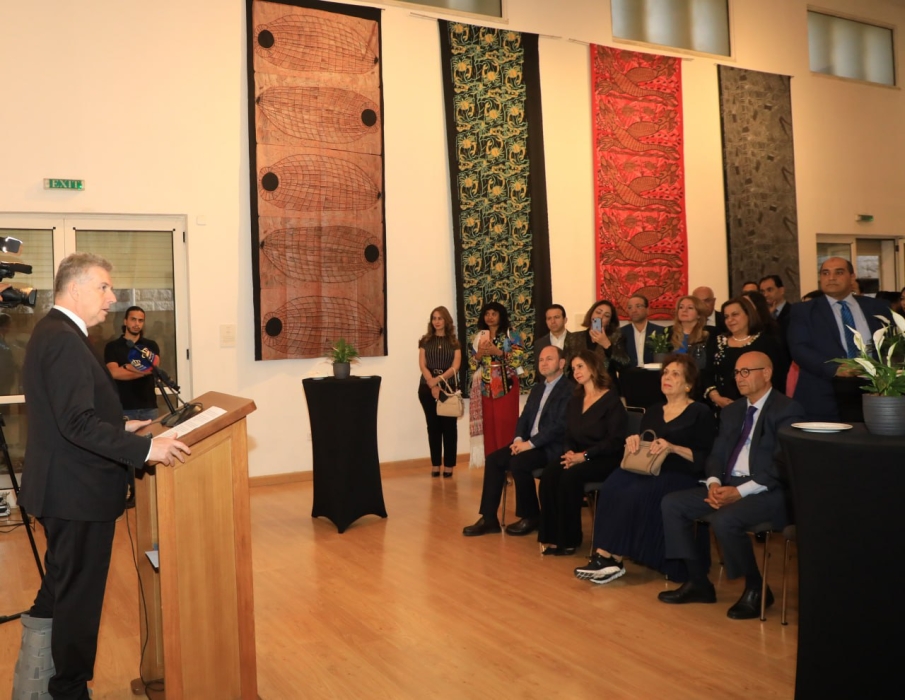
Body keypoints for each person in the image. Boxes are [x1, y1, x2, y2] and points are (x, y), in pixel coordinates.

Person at [13, 253, 190, 700]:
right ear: (75, 288)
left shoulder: (58, 332)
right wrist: (147, 449)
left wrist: (123, 427)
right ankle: (68, 689)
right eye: (104, 287)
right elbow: (76, 423)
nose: (112, 298)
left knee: (60, 587)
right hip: (76, 493)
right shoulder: (63, 339)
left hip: (67, 489)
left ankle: (32, 685)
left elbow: (72, 413)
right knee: (79, 599)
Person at [658, 352, 804, 619]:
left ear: (767, 373)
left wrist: (740, 491)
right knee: (673, 504)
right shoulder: (733, 410)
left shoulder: (787, 409)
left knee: (724, 519)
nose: (739, 378)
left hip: (768, 491)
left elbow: (783, 464)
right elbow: (717, 454)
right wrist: (714, 483)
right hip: (728, 484)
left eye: (746, 372)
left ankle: (756, 587)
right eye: (737, 373)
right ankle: (698, 582)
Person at [574, 354, 715, 584]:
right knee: (613, 485)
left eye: (675, 374)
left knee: (636, 492)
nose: (667, 377)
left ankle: (610, 558)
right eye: (665, 373)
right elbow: (646, 444)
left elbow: (706, 457)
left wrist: (673, 447)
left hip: (682, 473)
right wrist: (635, 441)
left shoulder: (700, 412)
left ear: (688, 384)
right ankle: (606, 556)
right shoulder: (653, 410)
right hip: (650, 469)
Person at [463, 346, 571, 536]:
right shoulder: (538, 388)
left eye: (549, 359)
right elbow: (524, 418)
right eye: (541, 360)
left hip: (551, 447)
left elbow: (559, 426)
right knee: (494, 459)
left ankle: (531, 516)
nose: (544, 363)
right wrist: (519, 439)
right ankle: (489, 518)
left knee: (519, 463)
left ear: (562, 363)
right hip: (528, 443)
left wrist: (529, 444)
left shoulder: (569, 390)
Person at [537, 350, 627, 554]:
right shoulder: (576, 399)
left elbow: (614, 441)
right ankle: (552, 537)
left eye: (580, 367)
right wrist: (569, 452)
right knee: (550, 474)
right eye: (573, 368)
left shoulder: (611, 399)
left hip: (604, 458)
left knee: (570, 478)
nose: (576, 372)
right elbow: (569, 433)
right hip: (577, 455)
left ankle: (569, 540)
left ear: (593, 367)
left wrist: (584, 456)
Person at [788, 257, 891, 421]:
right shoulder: (804, 311)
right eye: (825, 273)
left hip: (873, 392)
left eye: (839, 272)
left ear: (852, 277)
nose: (831, 277)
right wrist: (835, 368)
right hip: (823, 393)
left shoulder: (877, 307)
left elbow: (891, 346)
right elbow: (799, 348)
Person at [705, 297, 788, 412]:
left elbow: (778, 377)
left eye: (735, 314)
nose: (730, 320)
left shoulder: (767, 343)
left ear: (748, 314)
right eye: (726, 316)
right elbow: (707, 374)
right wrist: (716, 397)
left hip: (760, 408)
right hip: (723, 408)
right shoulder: (717, 342)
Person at [469, 301, 526, 461]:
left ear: (501, 316)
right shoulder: (480, 336)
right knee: (490, 427)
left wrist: (498, 352)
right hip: (486, 387)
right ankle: (492, 464)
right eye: (487, 314)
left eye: (494, 314)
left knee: (506, 425)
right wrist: (479, 354)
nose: (490, 317)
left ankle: (508, 464)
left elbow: (518, 360)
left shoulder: (512, 334)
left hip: (506, 385)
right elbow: (472, 364)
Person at [417, 306, 462, 477]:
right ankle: (435, 464)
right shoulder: (425, 341)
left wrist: (438, 380)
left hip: (448, 389)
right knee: (433, 427)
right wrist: (432, 383)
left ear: (446, 320)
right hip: (426, 388)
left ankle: (449, 465)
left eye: (440, 318)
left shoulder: (454, 342)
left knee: (449, 428)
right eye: (434, 318)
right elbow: (422, 365)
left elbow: (456, 366)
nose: (436, 321)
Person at [104, 306, 161, 421]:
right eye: (133, 319)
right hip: (124, 407)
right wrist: (144, 370)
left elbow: (154, 367)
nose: (137, 324)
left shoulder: (150, 345)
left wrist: (127, 367)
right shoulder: (112, 346)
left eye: (140, 320)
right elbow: (114, 373)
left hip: (149, 407)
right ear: (125, 321)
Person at [575, 299, 630, 386]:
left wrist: (606, 344)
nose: (600, 317)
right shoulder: (575, 338)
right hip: (581, 388)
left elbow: (624, 365)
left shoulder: (617, 337)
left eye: (606, 316)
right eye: (598, 312)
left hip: (607, 387)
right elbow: (568, 369)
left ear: (609, 322)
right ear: (591, 314)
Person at [535, 304, 581, 375]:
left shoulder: (577, 340)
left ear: (565, 320)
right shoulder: (539, 344)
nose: (553, 321)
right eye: (549, 318)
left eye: (556, 317)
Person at [619, 294, 659, 367]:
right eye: (630, 307)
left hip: (653, 373)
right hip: (629, 373)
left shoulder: (660, 331)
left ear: (647, 310)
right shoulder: (620, 333)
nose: (634, 310)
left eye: (638, 306)